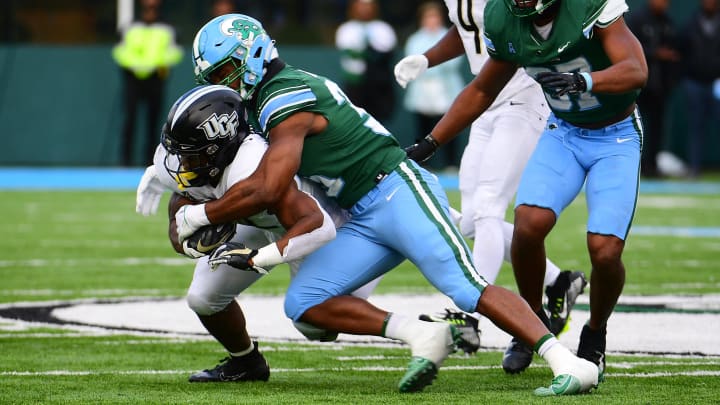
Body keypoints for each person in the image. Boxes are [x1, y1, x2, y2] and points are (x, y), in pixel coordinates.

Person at [177, 13, 599, 395]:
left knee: (468, 287)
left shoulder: (283, 94)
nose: (227, 81)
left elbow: (270, 186)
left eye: (229, 69)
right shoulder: (265, 98)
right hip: (359, 214)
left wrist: (200, 215)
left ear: (253, 53)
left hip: (396, 192)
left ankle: (567, 361)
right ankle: (420, 333)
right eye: (217, 75)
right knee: (303, 305)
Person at [404, 0, 648, 381]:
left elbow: (636, 70)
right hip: (564, 131)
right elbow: (483, 88)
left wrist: (588, 80)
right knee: (528, 224)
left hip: (614, 135)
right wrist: (431, 142)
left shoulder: (588, 6)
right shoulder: (503, 17)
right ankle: (529, 325)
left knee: (604, 250)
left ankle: (595, 333)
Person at [136, 84, 388, 382]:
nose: (180, 164)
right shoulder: (182, 159)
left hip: (316, 228)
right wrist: (180, 235)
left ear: (220, 146)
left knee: (316, 325)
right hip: (257, 222)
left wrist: (258, 258)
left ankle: (419, 327)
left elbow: (318, 224)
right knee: (203, 297)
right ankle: (246, 363)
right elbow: (181, 198)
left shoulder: (253, 162)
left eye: (192, 155)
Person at [394, 0, 587, 364]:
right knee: (472, 220)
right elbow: (468, 28)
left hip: (524, 96)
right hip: (486, 100)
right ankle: (559, 281)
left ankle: (468, 316)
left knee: (487, 209)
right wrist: (428, 58)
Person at [113, 0, 182, 167]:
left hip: (156, 80)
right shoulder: (130, 27)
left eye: (153, 6)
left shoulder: (167, 28)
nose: (150, 8)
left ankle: (151, 161)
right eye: (147, 6)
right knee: (130, 121)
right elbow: (120, 51)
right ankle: (125, 161)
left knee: (153, 122)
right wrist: (136, 66)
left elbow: (174, 52)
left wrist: (155, 65)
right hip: (133, 81)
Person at [400, 1, 465, 170]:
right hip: (422, 92)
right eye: (428, 17)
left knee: (449, 126)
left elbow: (454, 62)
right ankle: (422, 163)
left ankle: (451, 164)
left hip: (446, 90)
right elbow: (413, 62)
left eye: (435, 16)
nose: (432, 20)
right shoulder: (415, 39)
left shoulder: (449, 36)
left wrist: (430, 64)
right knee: (424, 128)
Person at [627, 0, 681, 178]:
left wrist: (671, 80)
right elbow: (629, 50)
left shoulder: (668, 22)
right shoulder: (637, 19)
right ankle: (634, 165)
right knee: (635, 126)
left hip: (660, 86)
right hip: (639, 86)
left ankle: (652, 165)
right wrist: (655, 53)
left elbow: (676, 52)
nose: (663, 4)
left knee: (657, 128)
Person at [335, 0, 398, 123]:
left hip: (379, 83)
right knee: (355, 119)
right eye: (361, 6)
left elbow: (387, 52)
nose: (364, 10)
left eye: (368, 6)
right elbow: (346, 51)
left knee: (378, 120)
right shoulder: (346, 29)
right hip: (355, 83)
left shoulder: (383, 28)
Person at [679, 0, 720, 178]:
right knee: (696, 127)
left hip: (717, 82)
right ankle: (694, 168)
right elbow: (681, 52)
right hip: (695, 82)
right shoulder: (691, 23)